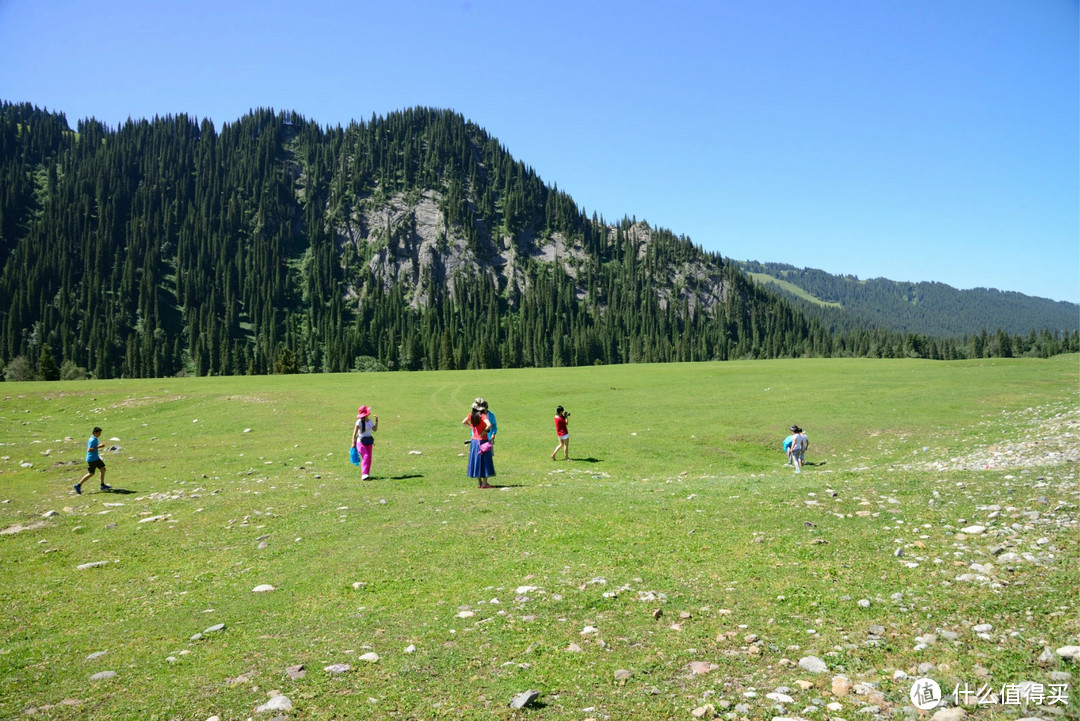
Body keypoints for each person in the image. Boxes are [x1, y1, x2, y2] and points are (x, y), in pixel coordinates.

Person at [462, 401, 494, 488]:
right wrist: (484, 432)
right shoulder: (482, 416)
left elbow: (463, 422)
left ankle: (480, 483)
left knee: (477, 461)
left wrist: (472, 428)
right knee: (485, 462)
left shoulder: (471, 415)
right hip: (483, 441)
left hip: (474, 442)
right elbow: (489, 425)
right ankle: (485, 483)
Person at [74, 427, 111, 494]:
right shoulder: (92, 440)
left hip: (95, 458)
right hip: (92, 459)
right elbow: (89, 449)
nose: (100, 434)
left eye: (100, 433)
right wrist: (99, 447)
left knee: (103, 469)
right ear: (95, 433)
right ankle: (78, 485)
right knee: (91, 473)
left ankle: (102, 485)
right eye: (99, 433)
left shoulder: (95, 438)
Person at [351, 406, 379, 480]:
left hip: (369, 441)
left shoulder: (369, 421)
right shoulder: (359, 422)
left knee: (369, 458)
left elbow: (375, 429)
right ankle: (364, 474)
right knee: (365, 456)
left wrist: (376, 421)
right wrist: (353, 443)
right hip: (360, 442)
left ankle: (367, 474)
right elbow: (354, 433)